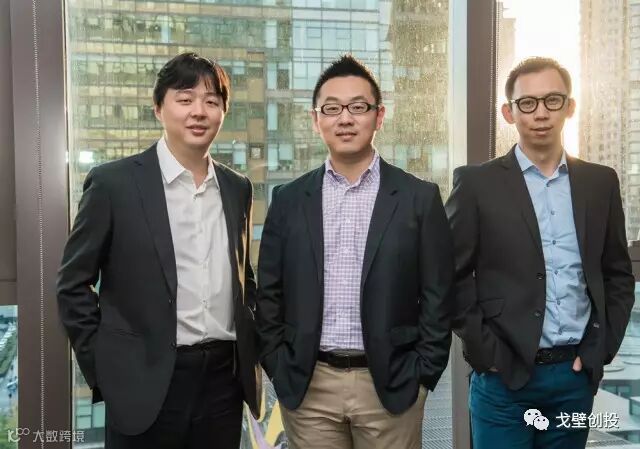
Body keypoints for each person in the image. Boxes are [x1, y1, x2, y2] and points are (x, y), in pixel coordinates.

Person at [57, 52, 260, 449]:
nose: (198, 111)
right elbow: (72, 285)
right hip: (144, 382)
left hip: (223, 383)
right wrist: (107, 367)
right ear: (158, 108)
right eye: (185, 99)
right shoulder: (113, 184)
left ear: (223, 112)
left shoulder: (238, 188)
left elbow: (243, 279)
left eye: (211, 101)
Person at [256, 54, 454, 449]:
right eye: (332, 109)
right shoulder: (288, 199)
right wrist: (278, 364)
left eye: (358, 107)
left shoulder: (418, 198)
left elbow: (438, 294)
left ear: (379, 116)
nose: (345, 118)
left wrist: (423, 375)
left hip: (392, 385)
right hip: (310, 385)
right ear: (316, 120)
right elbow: (270, 291)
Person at [445, 56, 635, 449]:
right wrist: (485, 352)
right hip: (502, 378)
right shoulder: (477, 184)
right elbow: (451, 276)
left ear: (570, 106)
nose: (541, 113)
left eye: (552, 100)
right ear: (509, 113)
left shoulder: (600, 183)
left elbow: (617, 273)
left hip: (572, 376)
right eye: (527, 103)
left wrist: (599, 349)